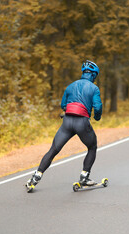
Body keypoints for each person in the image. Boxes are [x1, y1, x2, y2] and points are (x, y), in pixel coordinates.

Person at [26, 60, 103, 192]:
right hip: (82, 122)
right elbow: (98, 107)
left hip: (67, 122)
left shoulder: (70, 86)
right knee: (92, 147)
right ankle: (84, 177)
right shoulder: (94, 88)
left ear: (83, 73)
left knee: (53, 150)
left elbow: (63, 105)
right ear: (94, 75)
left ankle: (35, 177)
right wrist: (96, 117)